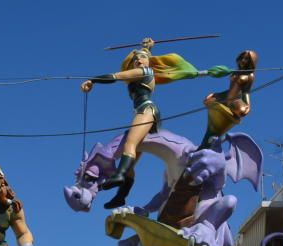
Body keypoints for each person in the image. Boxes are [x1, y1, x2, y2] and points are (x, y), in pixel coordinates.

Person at [81, 38, 231, 207]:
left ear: (148, 62)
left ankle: (119, 175)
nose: (138, 60)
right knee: (133, 158)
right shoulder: (142, 72)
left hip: (146, 110)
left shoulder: (143, 72)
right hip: (143, 111)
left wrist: (92, 80)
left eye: (141, 58)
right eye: (135, 59)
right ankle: (121, 196)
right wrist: (146, 48)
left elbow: (115, 76)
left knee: (130, 143)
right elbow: (139, 60)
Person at [201, 50, 257, 149]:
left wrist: (248, 105)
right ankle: (206, 143)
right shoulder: (235, 72)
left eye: (247, 59)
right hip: (226, 96)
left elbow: (246, 92)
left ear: (251, 61)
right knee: (208, 99)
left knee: (241, 111)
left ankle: (210, 143)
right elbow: (230, 90)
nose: (243, 60)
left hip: (235, 100)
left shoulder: (250, 76)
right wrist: (216, 94)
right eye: (242, 58)